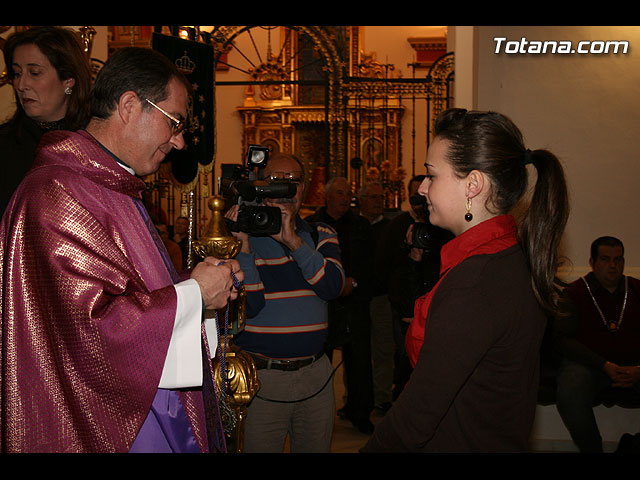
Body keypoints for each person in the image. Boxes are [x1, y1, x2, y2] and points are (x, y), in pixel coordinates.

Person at [0, 47, 242, 453]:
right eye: (174, 123)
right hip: (106, 423)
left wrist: (192, 287)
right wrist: (193, 295)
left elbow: (125, 292)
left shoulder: (108, 183)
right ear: (130, 105)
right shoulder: (57, 193)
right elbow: (88, 334)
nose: (180, 142)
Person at [362, 107, 569, 452]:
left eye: (432, 175)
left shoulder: (475, 282)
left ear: (473, 184)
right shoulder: (508, 256)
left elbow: (418, 413)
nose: (423, 189)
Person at [225, 152, 345, 453]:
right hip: (262, 378)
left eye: (294, 181)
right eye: (277, 181)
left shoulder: (321, 233)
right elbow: (248, 307)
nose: (286, 189)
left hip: (315, 373)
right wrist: (243, 247)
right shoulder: (244, 236)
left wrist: (294, 241)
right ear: (261, 186)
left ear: (304, 188)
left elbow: (333, 286)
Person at [553, 236, 640, 452]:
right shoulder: (574, 293)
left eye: (618, 260)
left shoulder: (637, 290)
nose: (613, 266)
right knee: (571, 383)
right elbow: (563, 340)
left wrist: (639, 370)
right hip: (592, 367)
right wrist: (604, 365)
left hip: (634, 368)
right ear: (592, 262)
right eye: (605, 259)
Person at [306, 177, 376, 433]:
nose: (345, 198)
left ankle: (360, 413)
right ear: (327, 196)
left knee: (359, 361)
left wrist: (353, 284)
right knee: (319, 361)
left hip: (355, 302)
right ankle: (315, 415)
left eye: (348, 193)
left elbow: (371, 264)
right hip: (322, 304)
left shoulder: (361, 226)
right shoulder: (312, 225)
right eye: (340, 193)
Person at [0, 26, 92, 215]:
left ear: (68, 80)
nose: (21, 84)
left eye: (34, 72)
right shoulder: (3, 145)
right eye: (17, 73)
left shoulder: (96, 145)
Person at [375, 175, 448, 400]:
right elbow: (385, 266)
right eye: (416, 195)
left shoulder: (443, 227)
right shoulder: (397, 225)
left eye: (425, 195)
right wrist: (411, 255)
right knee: (406, 359)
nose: (421, 201)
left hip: (440, 306)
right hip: (407, 306)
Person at [358, 181, 393, 413]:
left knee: (383, 349)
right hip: (357, 298)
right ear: (361, 200)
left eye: (381, 198)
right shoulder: (354, 225)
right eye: (373, 197)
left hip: (382, 297)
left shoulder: (391, 227)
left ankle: (381, 397)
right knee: (359, 352)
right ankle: (358, 397)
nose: (378, 202)